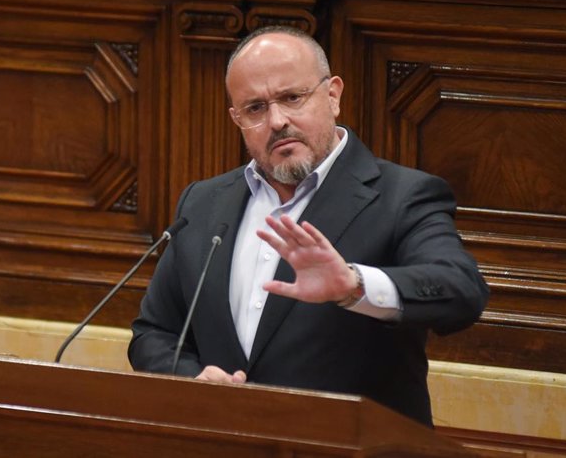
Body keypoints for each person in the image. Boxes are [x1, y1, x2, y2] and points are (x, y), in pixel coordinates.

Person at [128, 25, 488, 427]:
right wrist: (193, 380)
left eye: (292, 98)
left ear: (333, 95)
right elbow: (154, 333)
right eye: (255, 108)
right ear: (236, 118)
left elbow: (462, 290)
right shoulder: (203, 203)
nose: (277, 120)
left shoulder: (403, 196)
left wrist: (355, 286)